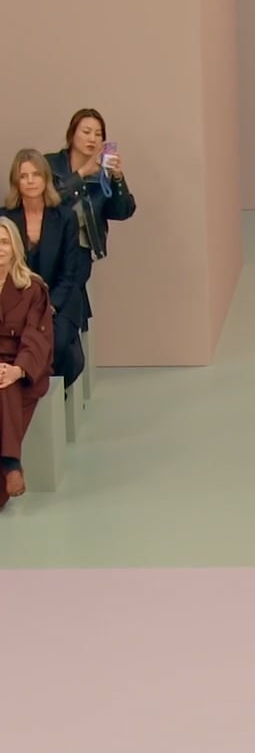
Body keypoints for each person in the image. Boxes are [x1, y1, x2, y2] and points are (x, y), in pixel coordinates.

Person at [46, 108, 136, 332]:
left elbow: (122, 211)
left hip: (80, 249)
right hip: (48, 243)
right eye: (86, 132)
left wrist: (117, 178)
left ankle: (69, 335)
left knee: (71, 296)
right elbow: (48, 199)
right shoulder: (50, 164)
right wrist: (81, 174)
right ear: (72, 134)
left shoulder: (102, 173)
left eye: (98, 134)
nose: (92, 139)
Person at [1, 150, 84, 388]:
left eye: (36, 174)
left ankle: (49, 394)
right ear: (16, 181)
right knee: (13, 344)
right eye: (23, 176)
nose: (30, 181)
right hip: (17, 301)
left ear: (46, 178)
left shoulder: (66, 218)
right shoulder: (5, 217)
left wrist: (48, 306)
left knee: (54, 344)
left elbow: (69, 274)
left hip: (59, 301)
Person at [0, 218, 55, 509]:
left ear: (15, 248)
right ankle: (11, 464)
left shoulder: (32, 288)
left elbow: (36, 337)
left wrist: (18, 369)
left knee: (6, 385)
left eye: (4, 242)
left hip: (23, 367)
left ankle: (10, 464)